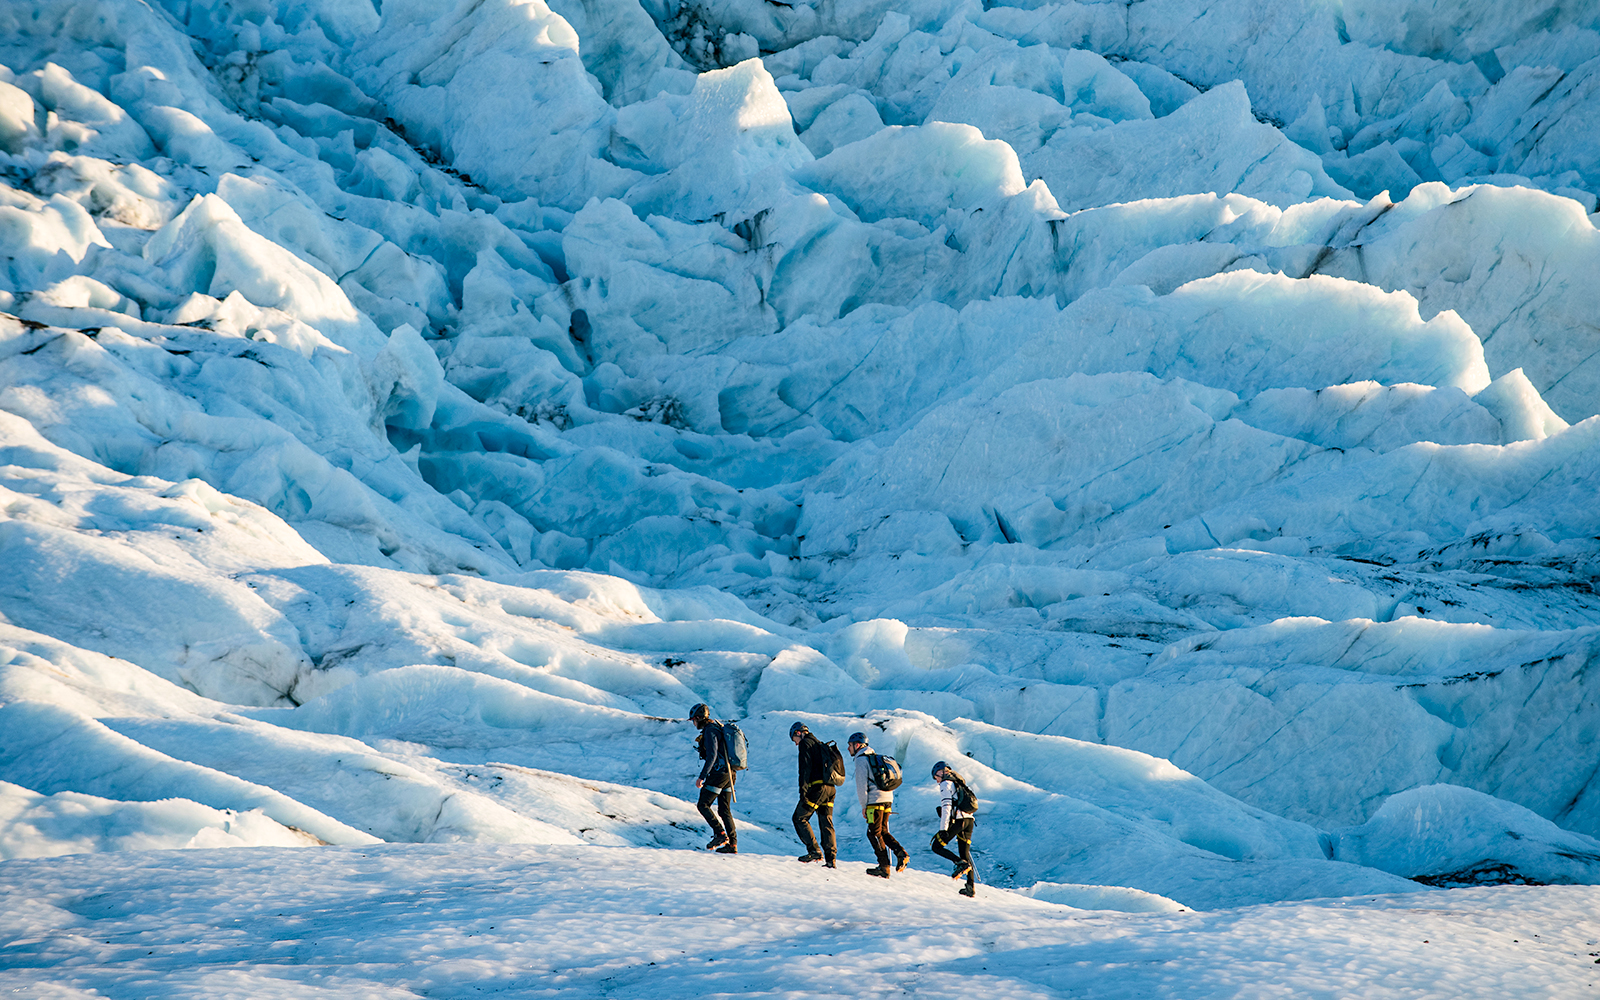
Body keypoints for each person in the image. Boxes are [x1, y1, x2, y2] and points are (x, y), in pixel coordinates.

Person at [850, 732, 908, 879]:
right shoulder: (875, 758)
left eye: (850, 745)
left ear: (857, 745)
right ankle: (900, 854)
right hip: (887, 799)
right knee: (882, 831)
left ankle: (884, 867)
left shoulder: (861, 760)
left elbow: (861, 786)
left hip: (874, 802)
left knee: (873, 833)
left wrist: (864, 805)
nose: (848, 749)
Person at [690, 703, 737, 853]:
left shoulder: (710, 730)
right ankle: (733, 844)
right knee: (724, 810)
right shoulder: (717, 727)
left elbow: (712, 755)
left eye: (694, 720)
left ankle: (720, 834)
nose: (693, 723)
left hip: (719, 773)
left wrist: (701, 777)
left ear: (699, 718)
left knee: (703, 804)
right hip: (730, 774)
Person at [789, 722, 837, 867]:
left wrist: (803, 791)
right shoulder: (819, 743)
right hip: (830, 789)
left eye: (794, 740)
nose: (796, 744)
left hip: (817, 789)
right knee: (826, 821)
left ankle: (814, 850)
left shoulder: (806, 744)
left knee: (799, 818)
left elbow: (804, 769)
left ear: (798, 733)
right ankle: (831, 859)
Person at [930, 760, 977, 896]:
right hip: (969, 821)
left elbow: (947, 806)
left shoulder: (946, 783)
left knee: (936, 846)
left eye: (936, 777)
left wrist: (943, 829)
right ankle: (970, 887)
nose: (937, 781)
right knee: (965, 854)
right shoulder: (958, 782)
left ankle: (959, 864)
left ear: (941, 772)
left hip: (959, 821)